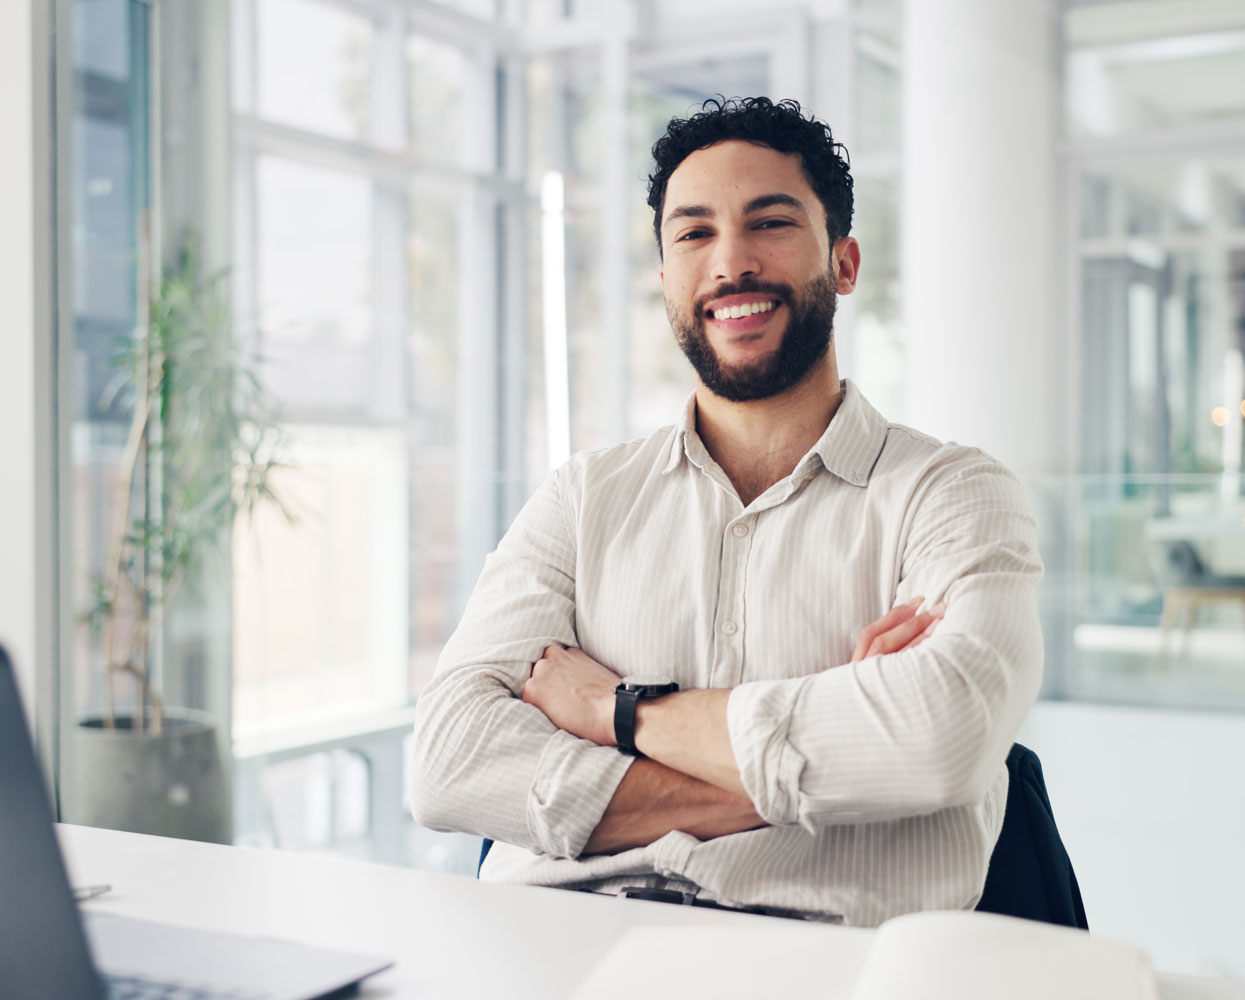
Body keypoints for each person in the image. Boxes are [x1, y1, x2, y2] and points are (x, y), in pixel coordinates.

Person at [408, 96, 1042, 927]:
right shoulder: (581, 498)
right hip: (560, 944)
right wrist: (833, 760)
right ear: (665, 277)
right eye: (694, 233)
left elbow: (936, 741)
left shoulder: (953, 494)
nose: (730, 261)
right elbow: (448, 762)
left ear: (843, 263)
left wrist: (617, 713)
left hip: (824, 962)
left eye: (770, 222)